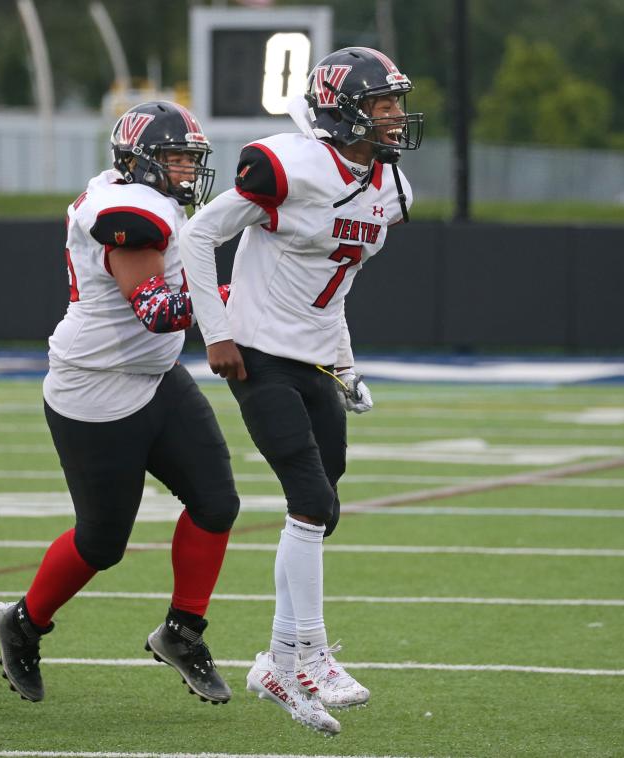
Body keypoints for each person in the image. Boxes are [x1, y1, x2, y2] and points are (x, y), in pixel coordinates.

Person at [178, 46, 422, 735]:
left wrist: (346, 366)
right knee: (310, 499)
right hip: (256, 351)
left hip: (314, 358)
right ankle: (309, 654)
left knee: (321, 509)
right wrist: (216, 331)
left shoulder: (391, 190)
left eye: (398, 104)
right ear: (344, 112)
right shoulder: (290, 164)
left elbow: (334, 289)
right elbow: (200, 236)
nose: (396, 118)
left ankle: (276, 662)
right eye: (383, 105)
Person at [0, 101, 240, 706]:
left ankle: (183, 631)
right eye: (175, 159)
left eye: (191, 160)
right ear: (138, 161)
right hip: (95, 389)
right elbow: (159, 312)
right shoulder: (126, 214)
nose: (186, 171)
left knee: (216, 501)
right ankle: (21, 621)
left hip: (155, 377)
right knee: (102, 544)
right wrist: (243, 291)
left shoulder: (141, 197)